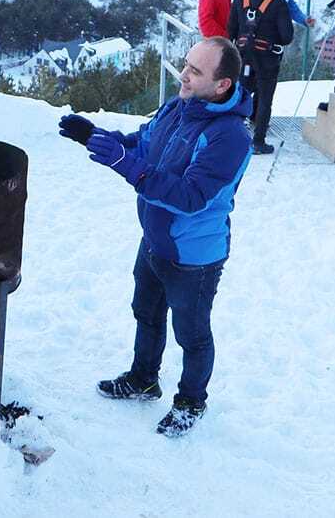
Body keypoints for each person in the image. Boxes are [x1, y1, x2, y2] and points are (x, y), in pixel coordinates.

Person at [58, 37, 252, 438]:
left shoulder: (229, 136)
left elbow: (191, 197)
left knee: (192, 334)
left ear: (222, 85)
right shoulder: (178, 107)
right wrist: (95, 136)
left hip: (193, 256)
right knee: (145, 312)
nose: (184, 73)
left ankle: (190, 402)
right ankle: (144, 378)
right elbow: (143, 144)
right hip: (154, 239)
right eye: (187, 64)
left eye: (196, 71)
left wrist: (127, 166)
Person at [228, 0, 295, 155]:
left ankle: (231, 136)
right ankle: (258, 141)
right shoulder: (278, 2)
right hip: (267, 59)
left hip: (242, 56)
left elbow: (231, 28)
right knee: (265, 99)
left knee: (239, 95)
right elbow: (287, 36)